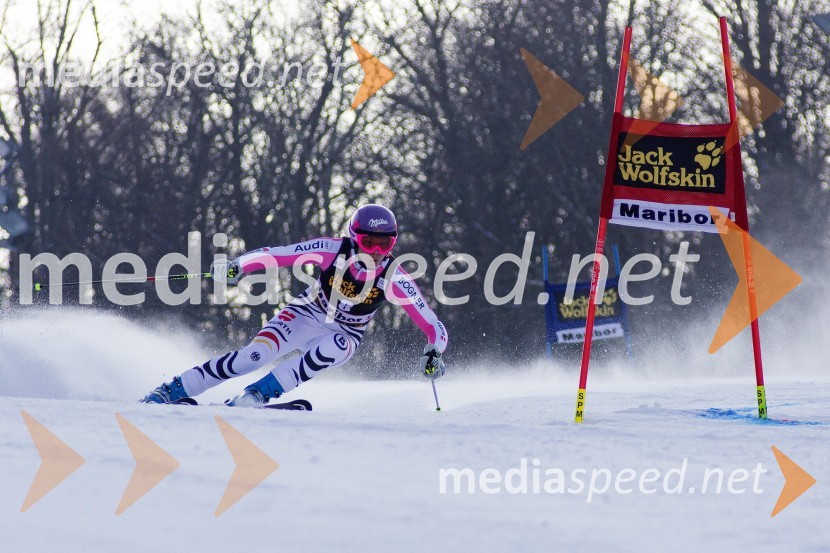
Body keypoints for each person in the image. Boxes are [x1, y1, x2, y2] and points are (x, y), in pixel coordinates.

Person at [141, 204, 448, 407]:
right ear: (354, 238)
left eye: (387, 244)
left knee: (334, 346)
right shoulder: (332, 249)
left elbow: (432, 325)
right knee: (252, 357)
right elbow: (278, 254)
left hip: (346, 333)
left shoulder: (395, 276)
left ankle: (257, 395)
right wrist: (239, 265)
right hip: (305, 313)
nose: (378, 252)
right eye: (370, 243)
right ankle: (173, 389)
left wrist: (434, 352)